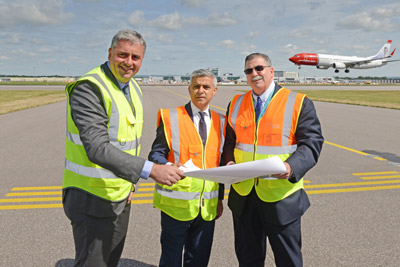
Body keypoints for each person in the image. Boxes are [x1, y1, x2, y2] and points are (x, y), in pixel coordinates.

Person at [62, 29, 184, 267]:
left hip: (119, 194)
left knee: (111, 261)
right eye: (123, 55)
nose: (129, 63)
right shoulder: (89, 88)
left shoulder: (132, 87)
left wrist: (129, 183)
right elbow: (97, 147)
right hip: (91, 196)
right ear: (110, 53)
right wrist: (151, 170)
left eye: (135, 57)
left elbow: (126, 144)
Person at [222, 53, 324, 267]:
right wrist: (229, 163)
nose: (254, 74)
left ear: (270, 70)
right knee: (248, 258)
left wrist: (291, 166)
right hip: (244, 195)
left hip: (281, 196)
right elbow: (229, 141)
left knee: (288, 259)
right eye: (248, 70)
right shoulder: (236, 102)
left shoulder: (298, 102)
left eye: (258, 68)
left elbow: (312, 143)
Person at [148, 69, 226, 267]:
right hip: (176, 205)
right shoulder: (171, 117)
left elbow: (219, 165)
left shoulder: (222, 122)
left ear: (214, 90)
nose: (201, 91)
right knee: (171, 257)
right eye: (196, 86)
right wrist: (166, 165)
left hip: (206, 206)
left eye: (206, 87)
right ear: (189, 89)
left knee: (199, 258)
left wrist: (219, 199)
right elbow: (155, 154)